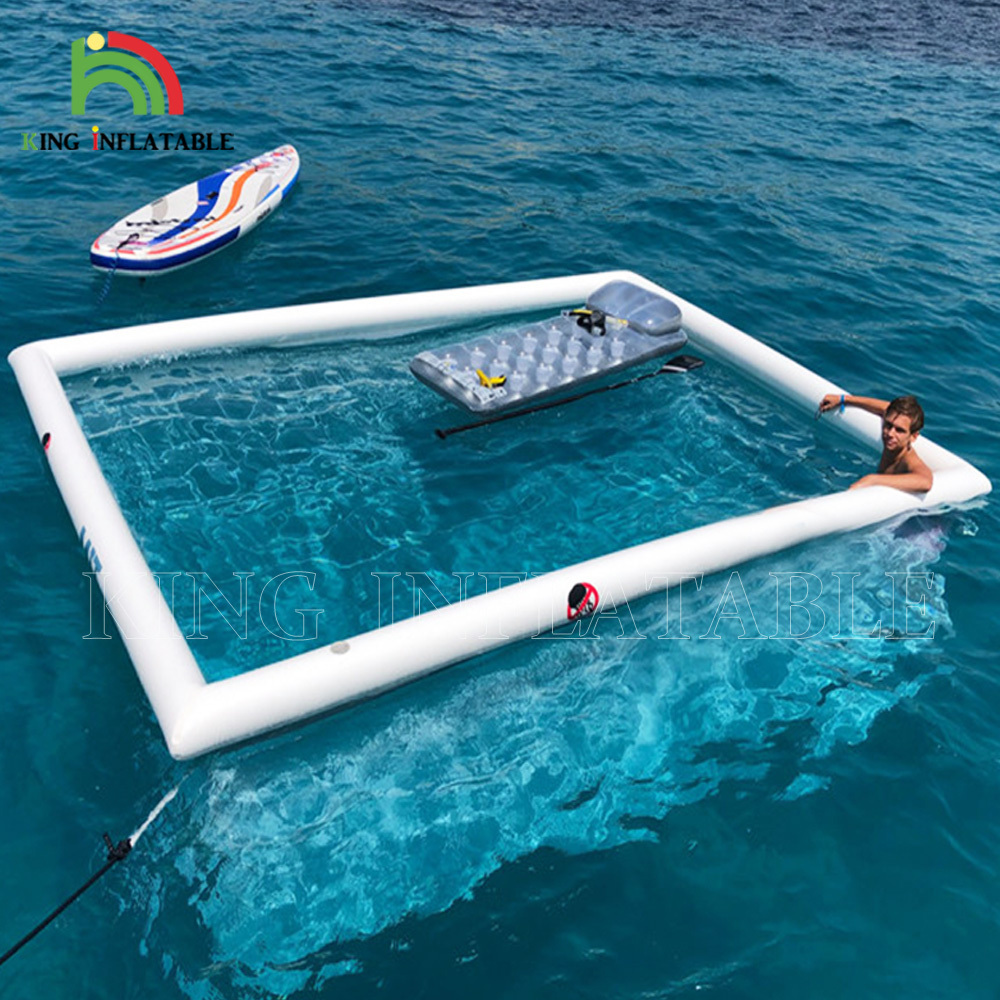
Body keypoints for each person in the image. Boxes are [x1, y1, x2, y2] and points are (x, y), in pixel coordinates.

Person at [817, 393, 933, 493]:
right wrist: (843, 399)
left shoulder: (908, 461)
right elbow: (886, 407)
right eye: (888, 425)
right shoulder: (895, 427)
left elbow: (926, 482)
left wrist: (873, 480)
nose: (890, 433)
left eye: (899, 430)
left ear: (913, 436)